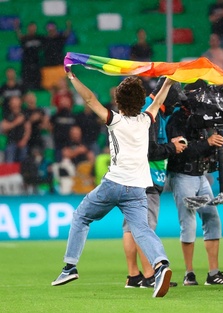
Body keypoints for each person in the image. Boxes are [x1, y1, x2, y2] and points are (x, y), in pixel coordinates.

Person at [51, 69, 174, 298]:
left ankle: (70, 267)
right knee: (142, 230)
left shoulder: (114, 120)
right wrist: (169, 80)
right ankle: (160, 265)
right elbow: (157, 101)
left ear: (118, 101)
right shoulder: (146, 120)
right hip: (138, 189)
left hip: (113, 184)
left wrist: (72, 77)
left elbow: (89, 99)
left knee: (81, 217)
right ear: (140, 101)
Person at [166, 80, 223, 286]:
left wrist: (216, 144)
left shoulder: (204, 118)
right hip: (182, 175)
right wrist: (208, 142)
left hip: (200, 175)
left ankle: (213, 273)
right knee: (188, 223)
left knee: (212, 218)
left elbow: (203, 148)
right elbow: (180, 152)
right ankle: (189, 273)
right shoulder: (177, 119)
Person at [122, 78, 186, 289]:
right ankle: (149, 276)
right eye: (175, 100)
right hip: (146, 178)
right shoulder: (152, 115)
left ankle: (133, 275)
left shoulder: (141, 110)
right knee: (144, 228)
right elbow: (149, 151)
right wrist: (172, 147)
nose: (176, 105)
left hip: (132, 177)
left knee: (131, 227)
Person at [42, 21, 73, 90]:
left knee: (63, 88)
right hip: (48, 68)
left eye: (53, 29)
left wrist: (68, 27)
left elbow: (66, 34)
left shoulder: (60, 38)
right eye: (50, 29)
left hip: (60, 67)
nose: (51, 31)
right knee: (50, 88)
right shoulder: (44, 40)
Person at [14, 21, 43, 90]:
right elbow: (20, 37)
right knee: (26, 79)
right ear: (28, 28)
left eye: (33, 27)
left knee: (37, 80)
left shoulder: (40, 38)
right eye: (31, 27)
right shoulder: (25, 38)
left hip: (37, 62)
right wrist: (17, 28)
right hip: (26, 63)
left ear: (35, 28)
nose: (32, 29)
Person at [1, 96, 31, 163]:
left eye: (16, 101)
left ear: (20, 102)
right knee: (9, 163)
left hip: (22, 142)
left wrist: (24, 140)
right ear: (10, 103)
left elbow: (28, 129)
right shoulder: (7, 113)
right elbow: (4, 127)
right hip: (11, 142)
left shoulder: (24, 113)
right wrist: (16, 122)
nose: (15, 103)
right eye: (13, 102)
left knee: (23, 163)